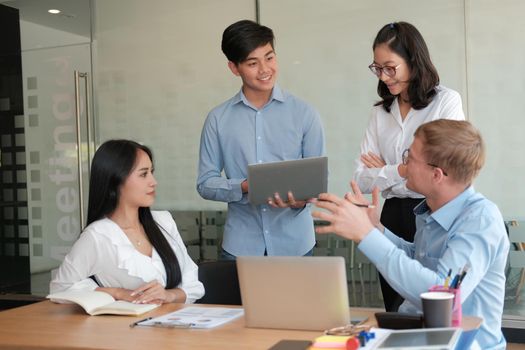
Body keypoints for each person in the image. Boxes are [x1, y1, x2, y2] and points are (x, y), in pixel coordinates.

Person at [314, 120, 509, 349]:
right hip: (419, 336)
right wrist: (376, 229)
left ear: (437, 175)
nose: (403, 165)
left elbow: (441, 296)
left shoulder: (480, 220)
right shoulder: (432, 209)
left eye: (410, 158)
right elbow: (418, 257)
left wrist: (367, 235)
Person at [353, 21, 465, 311]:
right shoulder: (380, 112)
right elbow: (361, 179)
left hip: (433, 212)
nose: (384, 76)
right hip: (391, 213)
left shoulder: (445, 102)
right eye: (377, 68)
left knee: (434, 301)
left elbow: (444, 167)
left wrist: (385, 171)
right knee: (395, 307)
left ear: (413, 62)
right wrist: (401, 169)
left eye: (390, 67)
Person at [197, 20, 325, 259]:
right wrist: (244, 186)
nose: (265, 69)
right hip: (241, 246)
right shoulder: (218, 119)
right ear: (234, 68)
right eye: (253, 63)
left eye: (270, 57)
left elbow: (316, 182)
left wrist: (301, 200)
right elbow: (205, 182)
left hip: (295, 246)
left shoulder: (305, 114)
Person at [50, 140, 204, 304]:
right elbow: (60, 289)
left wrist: (169, 295)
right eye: (143, 174)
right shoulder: (98, 235)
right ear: (116, 180)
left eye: (152, 172)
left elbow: (194, 285)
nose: (153, 181)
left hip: (174, 323)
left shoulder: (164, 222)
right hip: (127, 327)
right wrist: (116, 293)